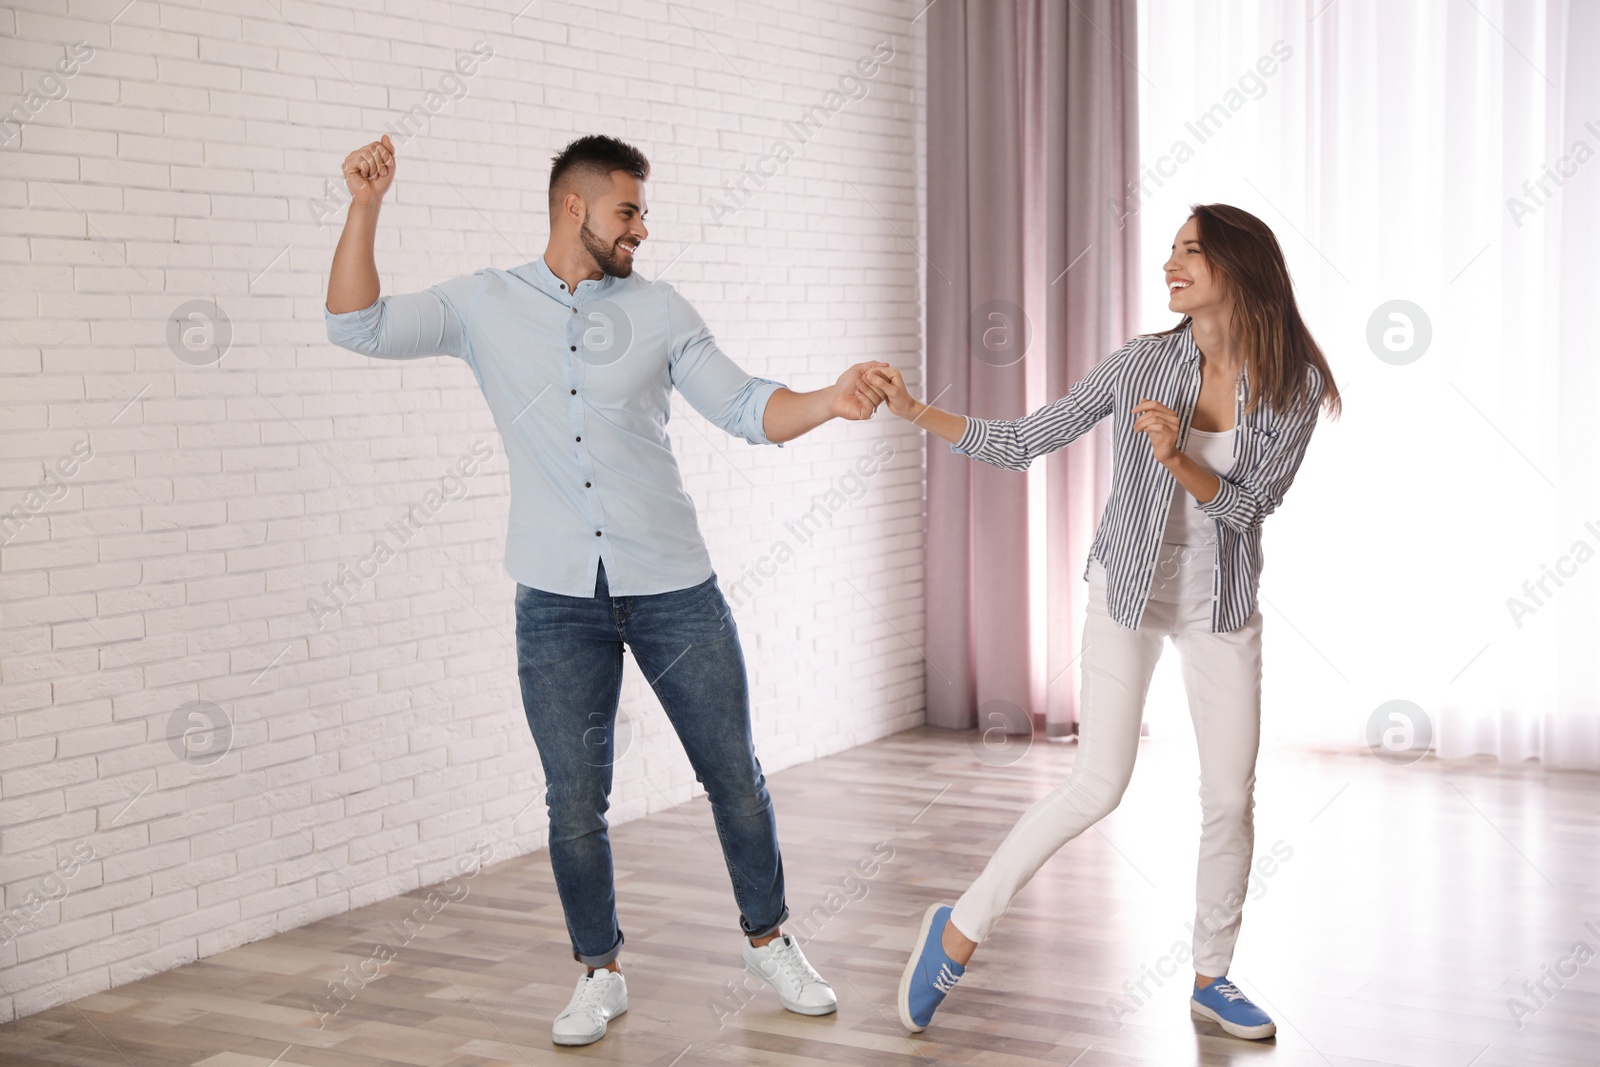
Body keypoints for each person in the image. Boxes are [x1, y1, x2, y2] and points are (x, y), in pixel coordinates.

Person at [325, 132, 887, 1047]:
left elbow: (746, 407)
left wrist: (831, 396)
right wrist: (365, 206)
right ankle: (598, 970)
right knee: (573, 798)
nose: (641, 229)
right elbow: (357, 324)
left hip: (674, 585)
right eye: (629, 211)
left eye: (643, 213)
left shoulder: (659, 310)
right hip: (555, 598)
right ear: (573, 207)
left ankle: (769, 938)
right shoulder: (485, 304)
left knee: (734, 776)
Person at [863, 204, 1341, 1041]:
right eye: (1172, 249)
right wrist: (914, 411)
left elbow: (1250, 508)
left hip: (1220, 608)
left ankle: (1211, 977)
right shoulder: (1140, 365)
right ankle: (957, 930)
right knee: (1098, 784)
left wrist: (1179, 458)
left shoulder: (1293, 383)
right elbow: (1022, 440)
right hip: (1126, 592)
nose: (1170, 263)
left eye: (1191, 251)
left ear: (1238, 266)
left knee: (1229, 796)